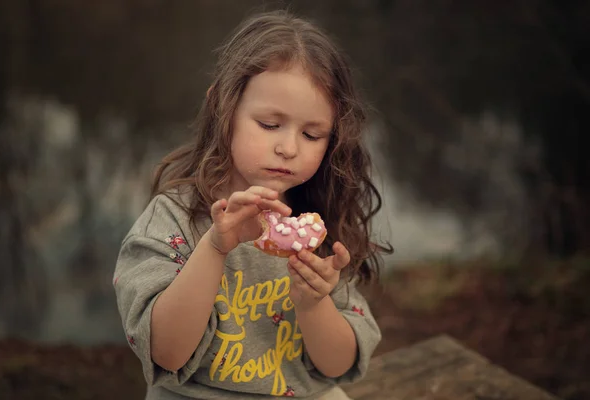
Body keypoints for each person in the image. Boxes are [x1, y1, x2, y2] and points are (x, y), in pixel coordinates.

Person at [113, 9, 393, 400]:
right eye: (269, 124)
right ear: (221, 108)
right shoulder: (174, 220)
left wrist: (314, 305)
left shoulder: (319, 222)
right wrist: (214, 248)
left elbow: (339, 367)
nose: (288, 147)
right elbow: (167, 353)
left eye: (312, 134)